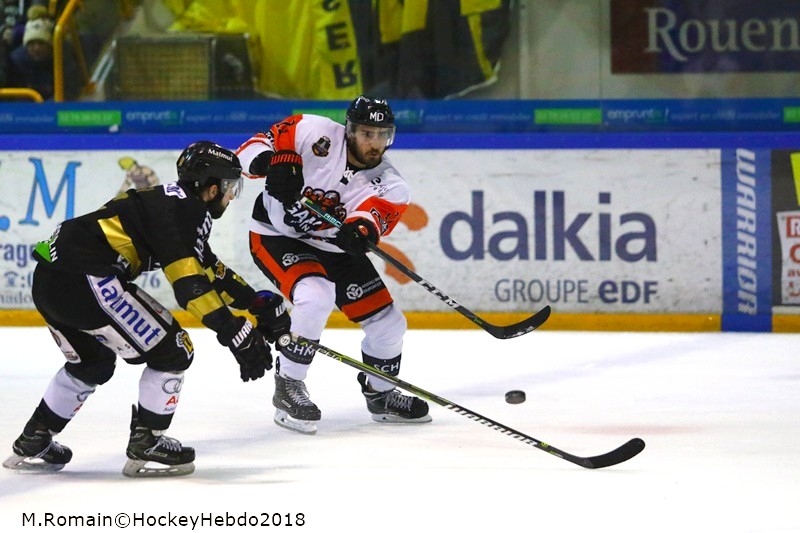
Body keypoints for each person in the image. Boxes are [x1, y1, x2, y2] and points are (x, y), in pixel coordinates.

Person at [2, 141, 289, 477]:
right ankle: (148, 440)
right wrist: (234, 331)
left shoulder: (168, 202)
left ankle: (35, 437)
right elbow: (190, 286)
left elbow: (207, 267)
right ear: (212, 188)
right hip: (87, 277)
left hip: (49, 279)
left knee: (92, 363)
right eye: (229, 188)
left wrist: (255, 303)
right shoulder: (188, 211)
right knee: (174, 350)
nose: (230, 196)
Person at [236, 95, 431, 435]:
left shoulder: (392, 184)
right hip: (275, 234)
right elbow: (246, 151)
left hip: (334, 248)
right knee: (316, 295)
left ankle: (381, 394)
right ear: (350, 129)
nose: (375, 143)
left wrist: (360, 231)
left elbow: (371, 217)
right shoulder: (312, 131)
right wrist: (270, 163)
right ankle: (289, 386)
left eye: (382, 135)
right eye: (367, 133)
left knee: (389, 325)